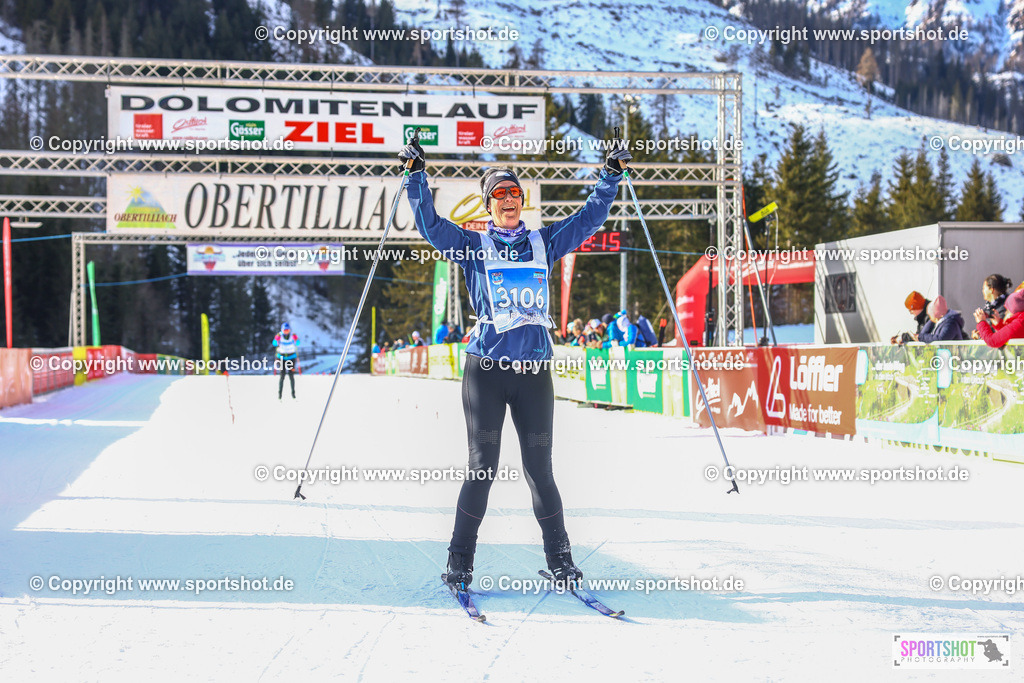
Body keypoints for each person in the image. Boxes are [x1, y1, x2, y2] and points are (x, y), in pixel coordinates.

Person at [399, 133, 631, 590]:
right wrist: (416, 177)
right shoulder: (472, 245)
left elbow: (589, 218)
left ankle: (561, 561)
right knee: (482, 468)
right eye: (499, 194)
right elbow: (430, 225)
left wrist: (609, 177)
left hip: (533, 376)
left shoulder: (545, 242)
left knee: (540, 471)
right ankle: (459, 562)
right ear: (488, 205)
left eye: (514, 193)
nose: (509, 200)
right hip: (485, 373)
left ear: (522, 201)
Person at [972, 274, 1014, 338]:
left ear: (991, 290)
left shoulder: (1006, 307)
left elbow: (1000, 333)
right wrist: (978, 334)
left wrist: (981, 334)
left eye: (984, 288)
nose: (982, 291)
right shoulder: (989, 307)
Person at [272, 322, 299, 400]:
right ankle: (280, 394)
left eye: (287, 330)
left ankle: (293, 394)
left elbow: (298, 343)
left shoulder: (292, 335)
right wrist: (276, 339)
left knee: (291, 375)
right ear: (282, 330)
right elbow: (274, 344)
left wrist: (296, 339)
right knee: (282, 375)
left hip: (291, 357)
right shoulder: (279, 335)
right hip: (281, 357)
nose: (286, 332)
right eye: (285, 330)